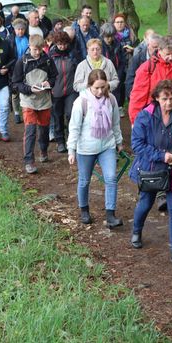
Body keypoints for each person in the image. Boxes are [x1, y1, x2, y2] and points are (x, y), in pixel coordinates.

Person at [129, 79, 172, 269]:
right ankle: (136, 230)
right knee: (145, 203)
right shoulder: (145, 116)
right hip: (151, 169)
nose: (169, 102)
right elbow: (137, 145)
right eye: (165, 99)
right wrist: (162, 156)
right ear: (157, 99)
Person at [67, 69, 123, 228]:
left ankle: (110, 215)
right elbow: (74, 127)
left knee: (111, 178)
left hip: (107, 145)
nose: (100, 91)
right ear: (89, 86)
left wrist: (119, 142)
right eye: (96, 88)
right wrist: (71, 150)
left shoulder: (111, 99)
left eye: (103, 87)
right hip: (86, 148)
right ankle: (84, 210)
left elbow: (115, 123)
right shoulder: (81, 102)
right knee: (84, 180)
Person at [12, 35, 58, 174]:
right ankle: (29, 161)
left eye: (39, 49)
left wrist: (48, 83)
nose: (37, 52)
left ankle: (43, 150)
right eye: (34, 50)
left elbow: (54, 77)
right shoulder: (22, 61)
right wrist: (29, 89)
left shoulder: (48, 60)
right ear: (29, 47)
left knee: (43, 130)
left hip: (44, 100)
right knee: (30, 130)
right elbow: (16, 83)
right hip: (28, 100)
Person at [49, 31, 78, 153]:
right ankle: (60, 141)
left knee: (71, 114)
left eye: (65, 44)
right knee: (57, 116)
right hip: (56, 90)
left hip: (71, 90)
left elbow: (78, 70)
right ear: (56, 43)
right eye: (60, 44)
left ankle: (71, 139)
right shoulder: (51, 55)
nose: (62, 46)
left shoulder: (73, 54)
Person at [100, 22, 127, 115]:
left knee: (118, 89)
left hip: (117, 70)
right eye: (107, 37)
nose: (109, 39)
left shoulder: (117, 44)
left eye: (111, 36)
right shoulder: (99, 46)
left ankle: (118, 107)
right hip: (103, 73)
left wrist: (120, 73)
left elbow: (122, 60)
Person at [125, 32, 160, 99]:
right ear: (148, 45)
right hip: (139, 95)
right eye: (154, 47)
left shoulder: (162, 59)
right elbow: (130, 80)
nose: (156, 50)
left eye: (159, 48)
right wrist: (132, 97)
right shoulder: (137, 59)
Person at [8, 18, 30, 124]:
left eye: (22, 29)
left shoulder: (28, 38)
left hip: (27, 67)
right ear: (14, 29)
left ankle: (26, 111)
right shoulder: (10, 39)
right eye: (18, 29)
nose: (20, 31)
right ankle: (17, 113)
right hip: (14, 67)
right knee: (15, 91)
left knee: (26, 89)